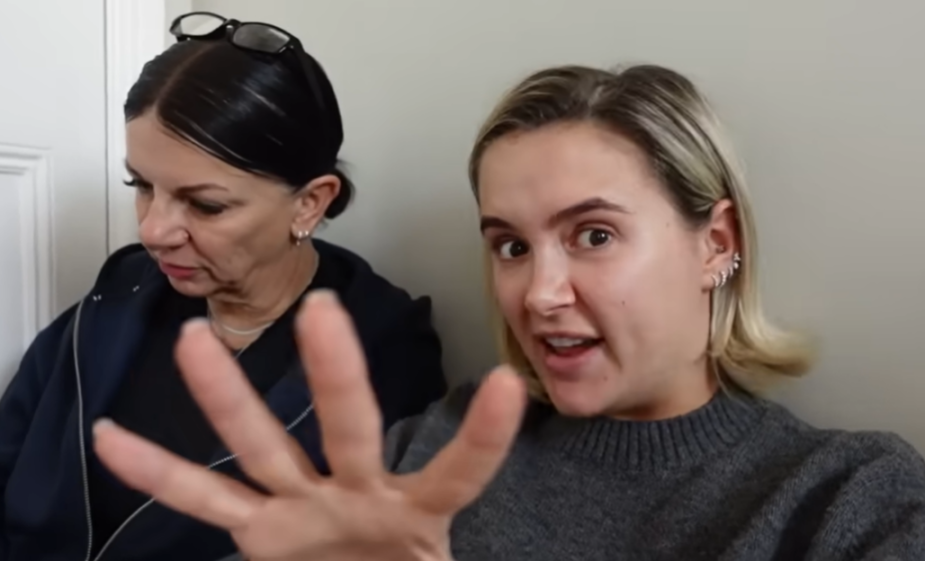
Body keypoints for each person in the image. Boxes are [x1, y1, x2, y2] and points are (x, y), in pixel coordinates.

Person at [95, 63, 925, 561]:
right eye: (510, 245)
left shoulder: (843, 497)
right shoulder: (430, 450)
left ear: (714, 242)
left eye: (592, 234)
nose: (538, 292)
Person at [0, 11, 446, 561]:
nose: (152, 231)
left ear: (311, 202)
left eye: (205, 204)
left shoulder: (382, 363)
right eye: (140, 185)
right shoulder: (114, 299)